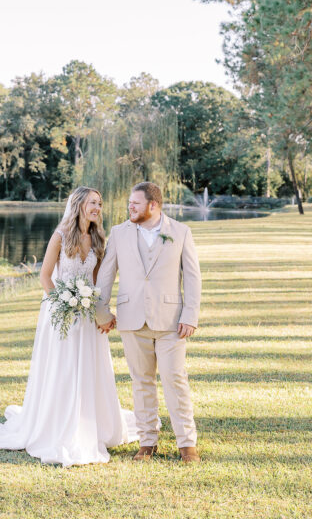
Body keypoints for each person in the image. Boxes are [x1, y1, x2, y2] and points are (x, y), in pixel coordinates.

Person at [0, 186, 138, 466]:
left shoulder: (96, 238)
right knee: (63, 367)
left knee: (88, 367)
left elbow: (96, 281)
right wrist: (63, 303)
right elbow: (45, 277)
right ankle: (57, 423)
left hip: (86, 312)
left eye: (100, 203)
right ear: (79, 205)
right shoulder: (60, 236)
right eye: (93, 202)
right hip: (60, 312)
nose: (97, 208)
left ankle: (90, 423)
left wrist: (98, 310)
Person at [94, 181, 202, 462]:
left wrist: (190, 315)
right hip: (132, 319)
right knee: (141, 381)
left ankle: (187, 444)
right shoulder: (118, 233)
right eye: (130, 203)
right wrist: (101, 311)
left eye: (136, 203)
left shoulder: (180, 232)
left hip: (171, 321)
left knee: (174, 380)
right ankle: (147, 442)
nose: (130, 207)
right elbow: (106, 274)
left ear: (153, 205)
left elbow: (192, 277)